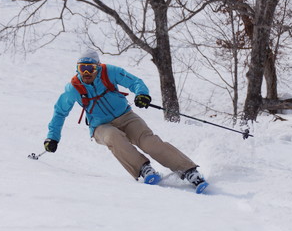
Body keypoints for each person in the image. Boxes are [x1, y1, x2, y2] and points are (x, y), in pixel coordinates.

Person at [43, 50, 207, 191]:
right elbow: (59, 112)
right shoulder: (73, 88)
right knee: (113, 137)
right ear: (77, 69)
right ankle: (143, 169)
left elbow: (134, 81)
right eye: (82, 68)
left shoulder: (110, 72)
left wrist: (142, 94)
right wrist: (52, 137)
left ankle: (189, 170)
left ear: (98, 68)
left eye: (90, 68)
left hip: (126, 116)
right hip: (100, 126)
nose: (86, 73)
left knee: (148, 141)